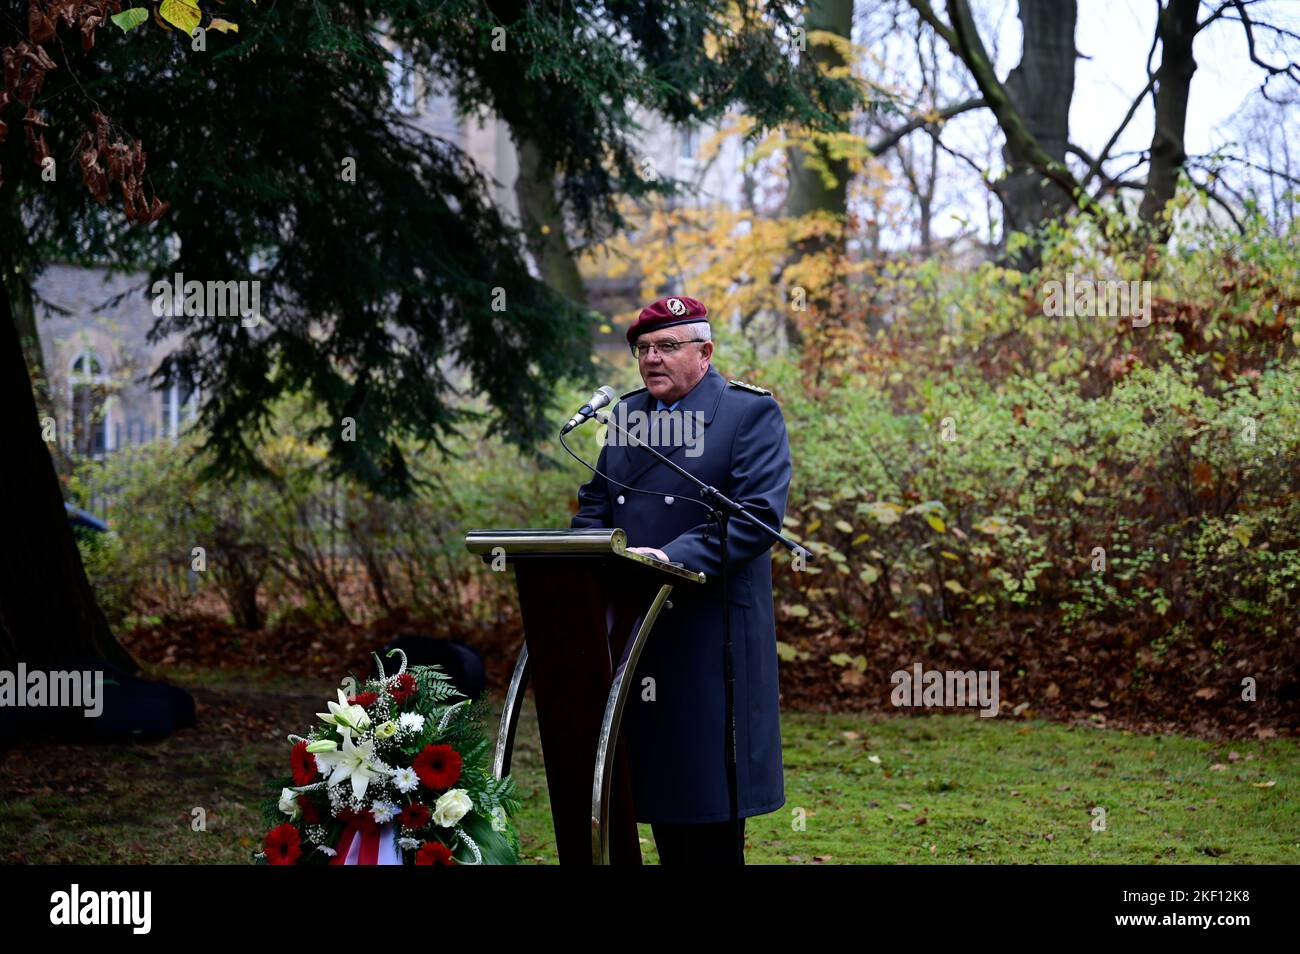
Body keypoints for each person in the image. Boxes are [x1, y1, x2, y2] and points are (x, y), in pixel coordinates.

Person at [570, 295, 792, 864]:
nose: (652, 359)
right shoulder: (622, 417)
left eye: (668, 346)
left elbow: (755, 517)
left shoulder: (748, 414)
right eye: (643, 349)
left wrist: (665, 558)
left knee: (706, 806)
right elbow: (594, 506)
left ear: (705, 352)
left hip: (706, 632)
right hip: (634, 634)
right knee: (655, 796)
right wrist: (592, 553)